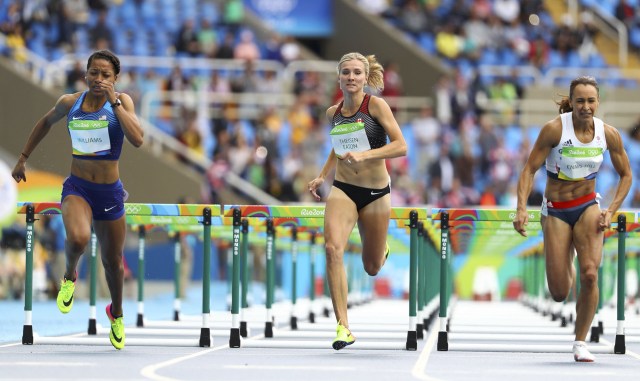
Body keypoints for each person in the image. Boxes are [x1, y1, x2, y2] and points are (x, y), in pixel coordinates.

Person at [11, 50, 144, 350]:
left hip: (109, 193)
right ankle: (70, 275)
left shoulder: (122, 102)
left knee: (113, 263)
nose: (99, 79)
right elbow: (45, 123)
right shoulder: (70, 103)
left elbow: (137, 138)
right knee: (79, 238)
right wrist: (22, 158)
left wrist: (115, 102)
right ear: (85, 74)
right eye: (93, 73)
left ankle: (117, 313)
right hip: (78, 188)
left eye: (105, 75)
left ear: (115, 79)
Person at [513, 76, 632, 362]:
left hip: (588, 206)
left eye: (591, 101)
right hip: (555, 208)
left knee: (590, 274)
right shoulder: (554, 130)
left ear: (598, 102)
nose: (586, 106)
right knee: (558, 292)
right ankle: (564, 255)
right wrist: (521, 208)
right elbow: (529, 170)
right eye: (580, 101)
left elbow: (626, 175)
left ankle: (580, 341)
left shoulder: (609, 134)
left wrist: (611, 210)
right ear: (572, 102)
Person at [307, 52, 407, 350]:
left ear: (365, 78)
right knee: (332, 249)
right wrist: (322, 175)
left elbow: (401, 146)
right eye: (346, 72)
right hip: (344, 188)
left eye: (356, 73)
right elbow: (338, 147)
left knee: (372, 266)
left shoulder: (376, 106)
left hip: (376, 192)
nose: (351, 77)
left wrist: (366, 155)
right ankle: (343, 327)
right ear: (338, 77)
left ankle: (380, 248)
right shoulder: (332, 113)